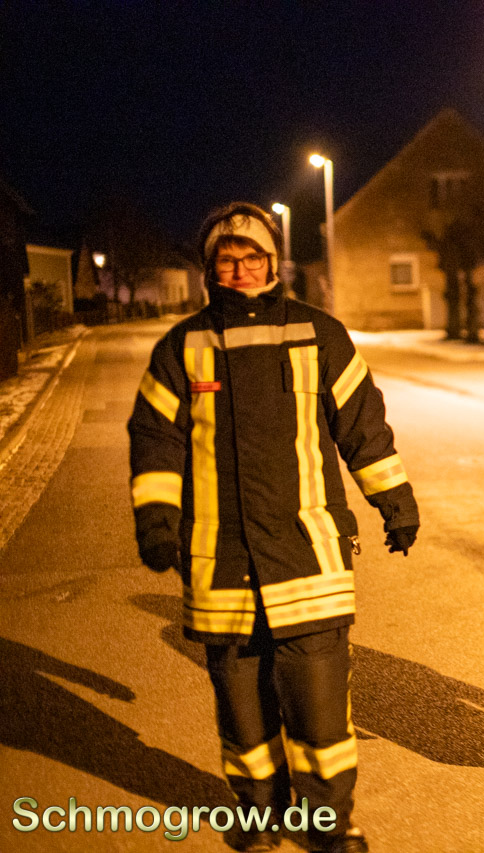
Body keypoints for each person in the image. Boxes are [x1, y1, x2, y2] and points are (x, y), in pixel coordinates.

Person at [127, 202, 419, 853]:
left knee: (319, 707)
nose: (241, 270)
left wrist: (394, 499)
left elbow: (362, 425)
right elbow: (155, 437)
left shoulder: (320, 335)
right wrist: (156, 517)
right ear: (209, 269)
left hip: (307, 552)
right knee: (242, 706)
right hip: (220, 558)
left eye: (252, 257)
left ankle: (325, 822)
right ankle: (258, 813)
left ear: (273, 262)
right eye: (227, 260)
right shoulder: (183, 348)